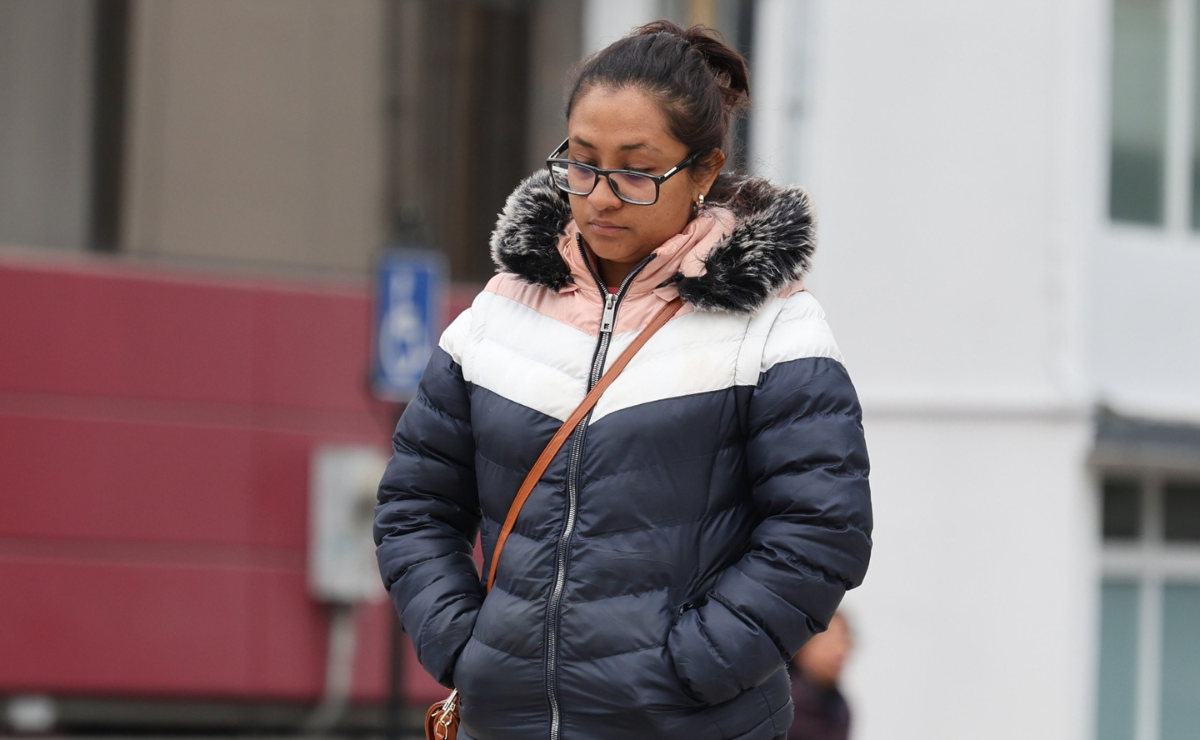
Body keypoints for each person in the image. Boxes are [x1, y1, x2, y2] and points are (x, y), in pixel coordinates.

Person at [374, 20, 872, 740]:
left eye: (638, 171)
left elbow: (822, 529)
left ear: (703, 172)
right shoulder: (497, 316)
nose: (602, 195)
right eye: (581, 163)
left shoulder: (774, 328)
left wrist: (690, 669)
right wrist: (463, 645)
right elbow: (415, 503)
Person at [787, 612, 854, 740]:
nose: (840, 652)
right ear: (803, 644)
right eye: (830, 642)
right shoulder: (778, 701)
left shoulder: (840, 709)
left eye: (844, 641)